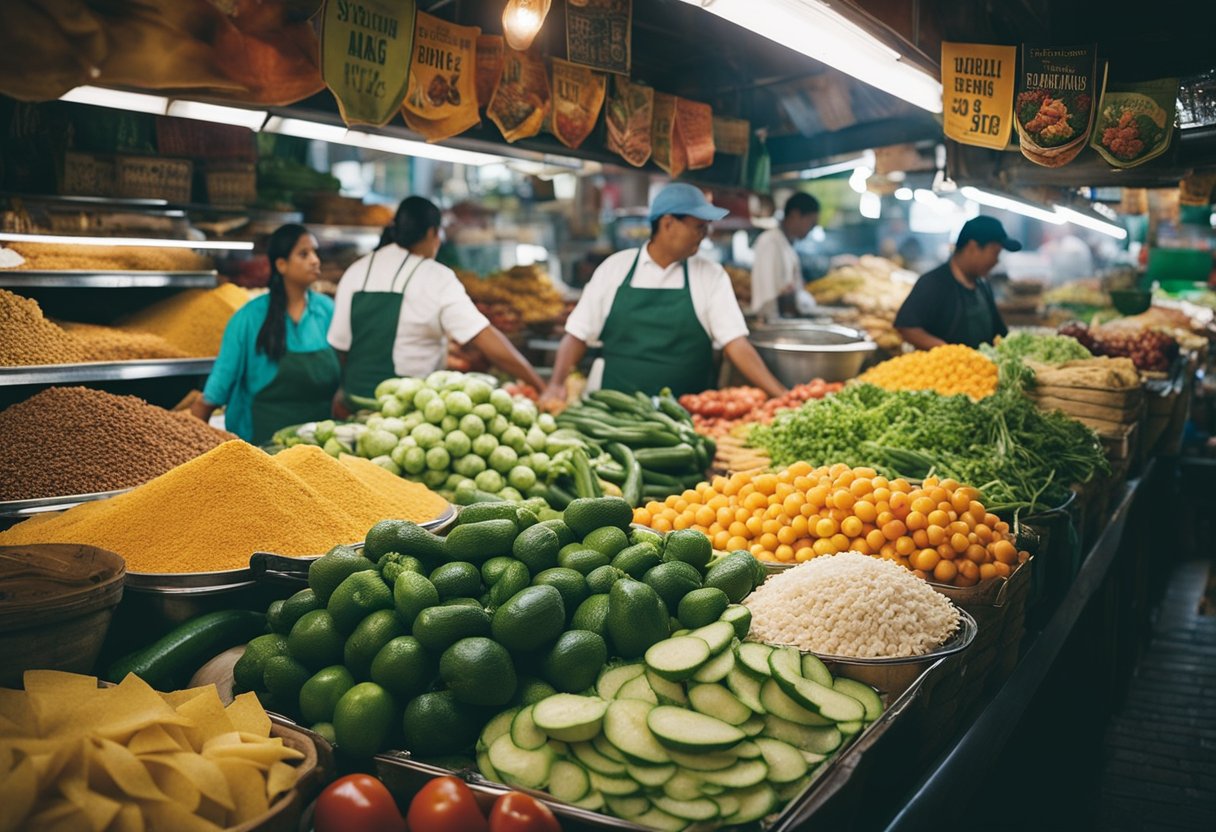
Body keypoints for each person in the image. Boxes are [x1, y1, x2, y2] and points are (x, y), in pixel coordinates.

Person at [539, 183, 788, 406]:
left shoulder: (710, 276)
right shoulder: (614, 269)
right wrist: (556, 383)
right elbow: (577, 335)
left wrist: (780, 395)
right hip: (614, 415)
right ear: (668, 223)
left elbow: (736, 343)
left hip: (686, 421)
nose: (705, 235)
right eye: (699, 227)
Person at [327, 196, 545, 411]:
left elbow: (340, 346)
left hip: (355, 400)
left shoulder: (356, 271)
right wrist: (539, 384)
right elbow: (484, 337)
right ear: (432, 233)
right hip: (407, 407)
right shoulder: (436, 276)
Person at [192, 224, 339, 443]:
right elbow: (217, 388)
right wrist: (192, 439)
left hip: (320, 449)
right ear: (281, 264)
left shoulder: (328, 311)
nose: (315, 260)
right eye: (304, 254)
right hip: (260, 449)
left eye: (315, 252)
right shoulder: (249, 319)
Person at [894, 215, 1016, 350]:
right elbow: (906, 327)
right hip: (947, 369)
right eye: (995, 253)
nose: (996, 261)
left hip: (981, 368)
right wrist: (947, 351)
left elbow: (999, 333)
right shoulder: (933, 283)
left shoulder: (983, 286)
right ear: (972, 248)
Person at [750, 192, 819, 320]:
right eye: (811, 223)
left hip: (780, 321)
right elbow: (767, 295)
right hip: (770, 323)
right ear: (795, 215)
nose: (812, 228)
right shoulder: (769, 242)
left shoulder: (787, 244)